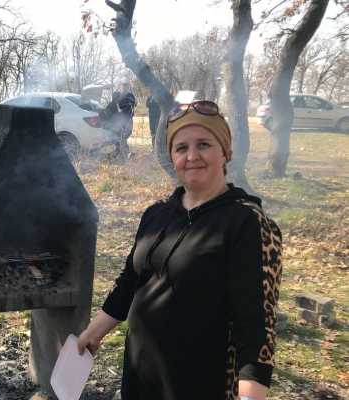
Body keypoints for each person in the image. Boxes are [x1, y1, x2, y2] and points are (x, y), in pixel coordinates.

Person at [77, 100, 283, 400]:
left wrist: (251, 395)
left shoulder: (247, 223)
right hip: (140, 377)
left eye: (204, 144)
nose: (192, 156)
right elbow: (129, 284)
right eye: (181, 147)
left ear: (225, 151)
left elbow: (255, 325)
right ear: (172, 156)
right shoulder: (156, 214)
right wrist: (92, 333)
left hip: (199, 384)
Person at [100, 80, 136, 157]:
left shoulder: (129, 96)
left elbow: (129, 108)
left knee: (122, 137)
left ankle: (124, 153)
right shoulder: (114, 103)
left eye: (125, 86)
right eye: (122, 86)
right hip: (117, 124)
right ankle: (121, 153)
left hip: (125, 121)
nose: (123, 88)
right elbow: (107, 113)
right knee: (119, 138)